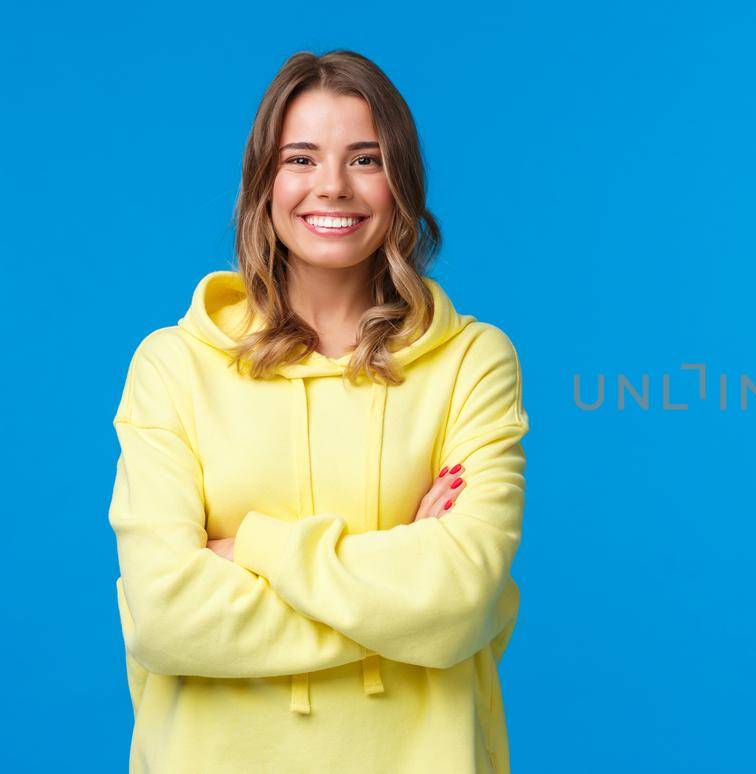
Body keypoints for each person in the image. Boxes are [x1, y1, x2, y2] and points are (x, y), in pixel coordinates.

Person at [108, 50, 527, 773]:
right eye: (301, 158)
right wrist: (401, 603)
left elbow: (458, 599)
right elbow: (166, 617)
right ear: (263, 184)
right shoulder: (174, 366)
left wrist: (253, 552)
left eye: (364, 158)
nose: (332, 186)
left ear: (401, 181)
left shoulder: (471, 362)